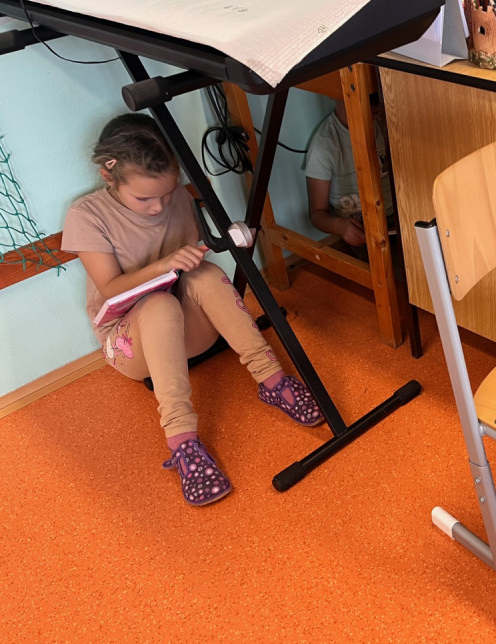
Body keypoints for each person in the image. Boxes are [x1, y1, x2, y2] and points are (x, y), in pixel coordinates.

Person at [61, 113, 324, 507]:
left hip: (186, 328)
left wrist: (223, 243)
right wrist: (163, 265)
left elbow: (191, 270)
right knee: (158, 304)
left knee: (206, 275)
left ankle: (272, 381)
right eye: (144, 198)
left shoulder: (179, 198)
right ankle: (183, 441)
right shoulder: (86, 216)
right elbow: (112, 288)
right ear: (108, 177)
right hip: (132, 346)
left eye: (167, 194)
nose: (158, 207)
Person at [303, 97, 394, 259]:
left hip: (395, 216)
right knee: (392, 268)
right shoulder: (323, 146)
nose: (374, 110)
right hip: (362, 228)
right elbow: (317, 214)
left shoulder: (382, 124)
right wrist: (340, 227)